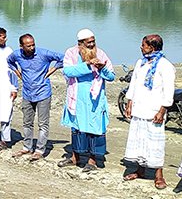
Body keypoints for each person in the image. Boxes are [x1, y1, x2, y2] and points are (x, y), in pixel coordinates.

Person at [58, 28, 114, 172]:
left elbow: (111, 76)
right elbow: (68, 71)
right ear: (80, 43)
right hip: (77, 98)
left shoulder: (101, 54)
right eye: (88, 42)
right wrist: (87, 65)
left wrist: (102, 68)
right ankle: (75, 157)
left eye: (93, 41)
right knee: (77, 128)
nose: (91, 44)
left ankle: (92, 161)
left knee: (95, 129)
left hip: (95, 100)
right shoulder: (71, 53)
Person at [123, 34, 174, 190]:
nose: (141, 47)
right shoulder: (141, 63)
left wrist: (163, 109)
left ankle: (159, 175)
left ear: (152, 47)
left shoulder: (165, 65)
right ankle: (140, 170)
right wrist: (129, 103)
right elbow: (134, 84)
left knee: (155, 142)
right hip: (139, 108)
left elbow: (168, 90)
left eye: (143, 45)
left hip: (154, 110)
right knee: (139, 140)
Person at [7, 34, 64, 160]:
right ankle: (27, 147)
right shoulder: (17, 55)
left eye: (33, 44)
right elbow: (9, 61)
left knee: (43, 124)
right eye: (28, 46)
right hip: (27, 93)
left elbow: (64, 58)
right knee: (27, 122)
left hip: (43, 92)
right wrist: (17, 72)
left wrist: (53, 69)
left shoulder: (43, 53)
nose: (32, 47)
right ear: (21, 46)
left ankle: (39, 149)